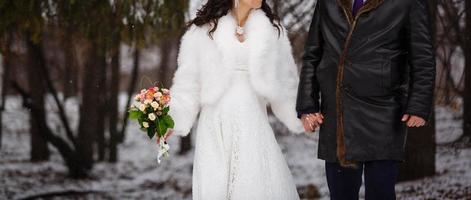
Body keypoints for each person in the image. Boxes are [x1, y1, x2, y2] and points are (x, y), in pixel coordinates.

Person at [163, 0, 304, 199]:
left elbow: (286, 84)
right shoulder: (203, 30)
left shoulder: (272, 31)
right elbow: (188, 84)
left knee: (257, 186)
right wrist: (173, 119)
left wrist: (304, 116)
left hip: (253, 124)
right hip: (215, 126)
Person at [296, 0, 436, 199]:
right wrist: (307, 105)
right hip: (338, 112)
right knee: (341, 194)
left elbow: (423, 58)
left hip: (384, 113)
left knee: (381, 192)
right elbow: (312, 54)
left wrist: (419, 105)